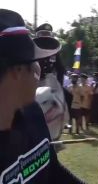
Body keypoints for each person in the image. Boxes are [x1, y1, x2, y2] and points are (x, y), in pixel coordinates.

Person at [0, 9, 85, 183]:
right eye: (35, 61)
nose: (40, 68)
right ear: (17, 70)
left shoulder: (34, 114)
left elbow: (53, 170)